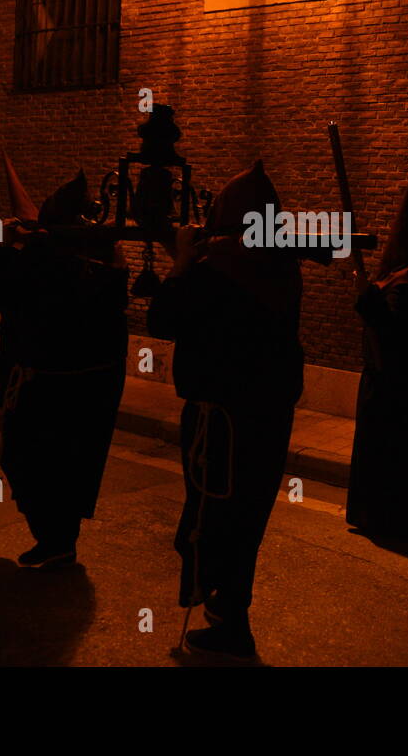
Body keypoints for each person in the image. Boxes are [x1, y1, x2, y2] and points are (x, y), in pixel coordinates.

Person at [146, 160, 303, 663]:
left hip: (223, 424)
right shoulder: (280, 265)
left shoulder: (218, 274)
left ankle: (231, 626)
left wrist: (182, 265)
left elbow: (163, 318)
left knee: (214, 520)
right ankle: (227, 611)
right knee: (243, 521)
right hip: (265, 419)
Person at [0, 158, 128, 570]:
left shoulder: (45, 262)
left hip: (43, 389)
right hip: (87, 389)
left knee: (33, 463)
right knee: (69, 466)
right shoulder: (102, 262)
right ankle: (60, 540)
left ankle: (55, 540)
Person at [346, 126, 408, 537]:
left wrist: (365, 297)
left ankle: (387, 517)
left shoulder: (405, 286)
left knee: (388, 451)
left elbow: (392, 335)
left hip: (390, 387)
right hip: (405, 385)